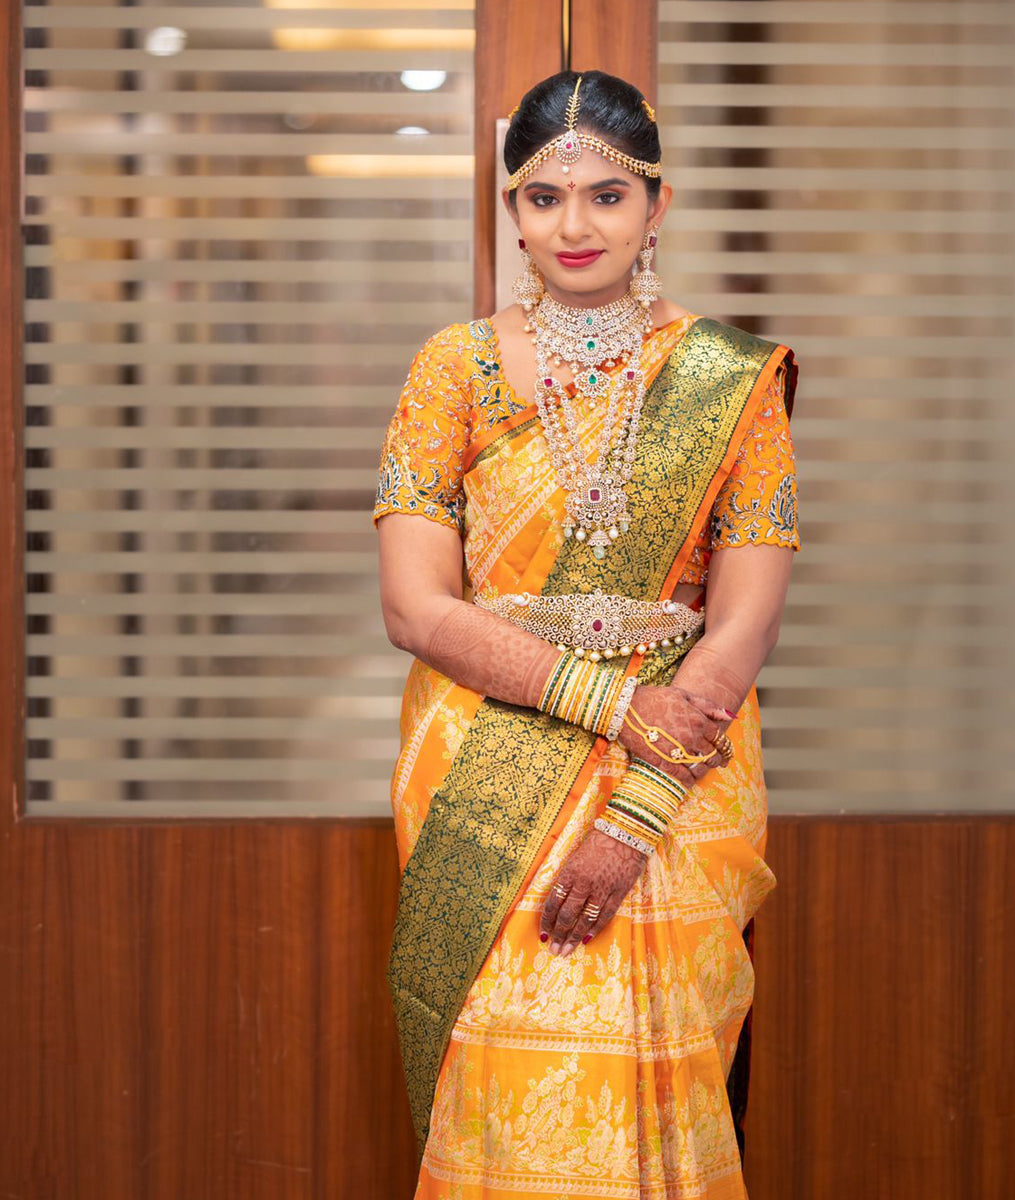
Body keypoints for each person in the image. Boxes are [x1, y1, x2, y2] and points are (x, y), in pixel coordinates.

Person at [373, 68, 801, 1200]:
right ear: (510, 211)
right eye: (544, 195)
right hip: (484, 761)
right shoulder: (452, 369)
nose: (575, 224)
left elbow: (745, 621)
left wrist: (639, 806)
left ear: (658, 205)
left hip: (681, 769)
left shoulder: (732, 380)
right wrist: (612, 704)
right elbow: (415, 607)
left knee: (661, 1073)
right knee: (505, 1081)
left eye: (607, 195)